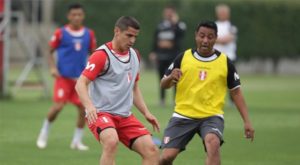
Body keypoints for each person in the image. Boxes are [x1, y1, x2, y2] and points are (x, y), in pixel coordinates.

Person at [159, 21, 254, 165]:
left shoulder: (225, 62)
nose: (205, 40)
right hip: (183, 115)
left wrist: (247, 121)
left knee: (213, 143)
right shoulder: (183, 57)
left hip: (211, 116)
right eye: (202, 36)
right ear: (196, 36)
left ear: (216, 38)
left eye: (210, 37)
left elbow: (236, 93)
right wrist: (171, 77)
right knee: (166, 157)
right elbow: (164, 85)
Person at [75, 16, 160, 165]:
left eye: (135, 36)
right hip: (101, 113)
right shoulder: (101, 55)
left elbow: (133, 88)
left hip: (125, 117)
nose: (132, 40)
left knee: (151, 150)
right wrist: (89, 106)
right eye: (129, 35)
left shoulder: (135, 55)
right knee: (111, 141)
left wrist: (146, 113)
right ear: (117, 31)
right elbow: (80, 83)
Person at [36, 3, 97, 151]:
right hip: (63, 78)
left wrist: (93, 71)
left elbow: (95, 54)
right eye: (73, 15)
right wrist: (52, 67)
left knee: (84, 110)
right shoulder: (60, 33)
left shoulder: (89, 34)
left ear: (83, 16)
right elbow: (49, 51)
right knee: (57, 107)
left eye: (79, 15)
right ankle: (43, 133)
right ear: (69, 16)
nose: (76, 17)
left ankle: (76, 141)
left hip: (81, 80)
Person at [149, 5, 186, 106]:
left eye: (170, 12)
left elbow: (181, 34)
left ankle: (175, 100)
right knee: (162, 78)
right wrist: (153, 51)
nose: (168, 14)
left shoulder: (178, 25)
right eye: (167, 12)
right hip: (161, 56)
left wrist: (175, 22)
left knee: (175, 78)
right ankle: (162, 100)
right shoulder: (160, 25)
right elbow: (156, 39)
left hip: (174, 56)